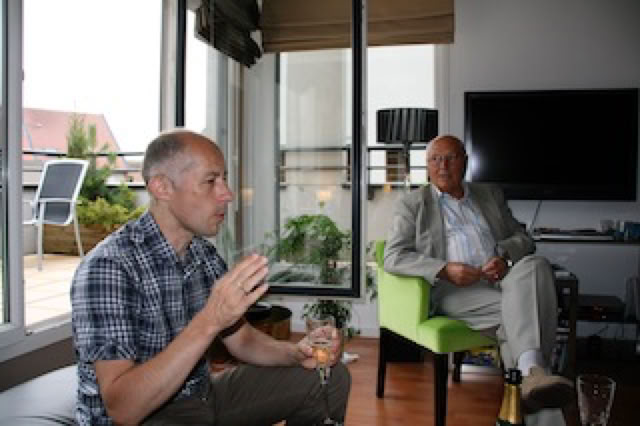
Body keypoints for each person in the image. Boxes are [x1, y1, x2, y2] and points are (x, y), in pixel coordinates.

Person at [71, 129, 350, 425]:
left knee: (329, 378)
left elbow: (242, 340)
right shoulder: (108, 267)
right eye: (210, 181)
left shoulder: (203, 254)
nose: (227, 194)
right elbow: (123, 409)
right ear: (162, 187)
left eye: (224, 179)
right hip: (148, 417)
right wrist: (209, 320)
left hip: (201, 397)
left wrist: (297, 352)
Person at [383, 135, 573, 417]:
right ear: (427, 165)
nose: (443, 165)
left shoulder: (489, 195)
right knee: (530, 312)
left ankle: (530, 379)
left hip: (506, 280)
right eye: (435, 159)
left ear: (465, 162)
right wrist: (444, 269)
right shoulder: (413, 204)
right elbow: (393, 256)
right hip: (455, 290)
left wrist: (505, 258)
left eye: (450, 158)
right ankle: (533, 377)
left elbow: (523, 238)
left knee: (536, 265)